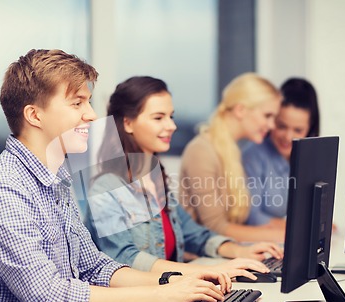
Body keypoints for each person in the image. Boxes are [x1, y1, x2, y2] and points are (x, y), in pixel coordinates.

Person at [0, 50, 234, 302]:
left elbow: (95, 267)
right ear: (34, 115)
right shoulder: (4, 188)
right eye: (77, 103)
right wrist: (160, 294)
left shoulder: (56, 178)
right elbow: (50, 298)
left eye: (87, 102)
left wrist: (174, 281)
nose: (91, 114)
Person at [85, 76, 283, 279]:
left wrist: (241, 251)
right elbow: (124, 258)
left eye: (171, 116)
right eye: (158, 118)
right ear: (127, 123)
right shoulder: (104, 189)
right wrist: (207, 272)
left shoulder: (156, 181)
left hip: (171, 295)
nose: (171, 126)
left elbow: (196, 235)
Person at [179, 73, 285, 243]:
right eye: (267, 116)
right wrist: (288, 237)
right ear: (240, 110)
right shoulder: (201, 151)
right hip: (199, 260)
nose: (272, 125)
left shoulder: (233, 151)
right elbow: (216, 228)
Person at [241, 77, 320, 226]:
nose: (288, 137)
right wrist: (300, 227)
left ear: (310, 129)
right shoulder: (253, 156)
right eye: (281, 126)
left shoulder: (306, 158)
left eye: (298, 130)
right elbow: (251, 217)